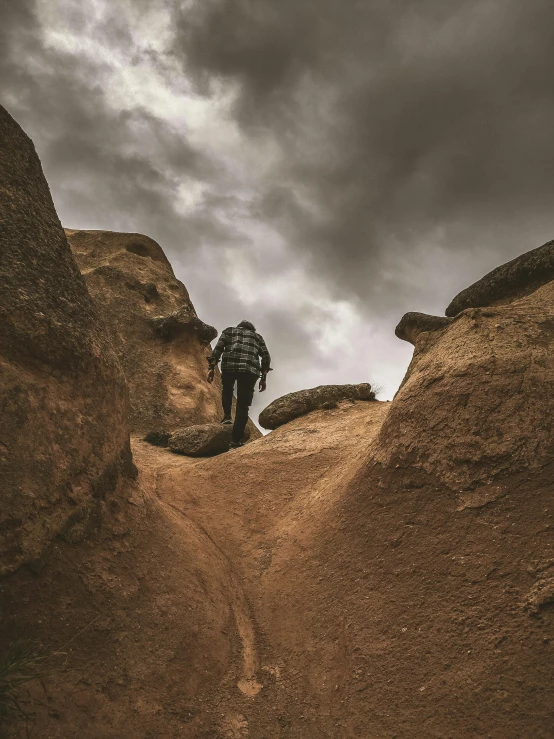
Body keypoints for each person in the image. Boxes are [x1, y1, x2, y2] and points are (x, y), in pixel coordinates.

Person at [207, 320, 271, 448]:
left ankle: (227, 416)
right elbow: (266, 357)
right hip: (249, 370)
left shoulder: (229, 331)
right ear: (252, 329)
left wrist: (211, 368)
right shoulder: (257, 337)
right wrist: (263, 378)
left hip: (229, 366)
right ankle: (235, 441)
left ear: (239, 327)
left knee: (227, 390)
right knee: (243, 405)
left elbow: (218, 349)